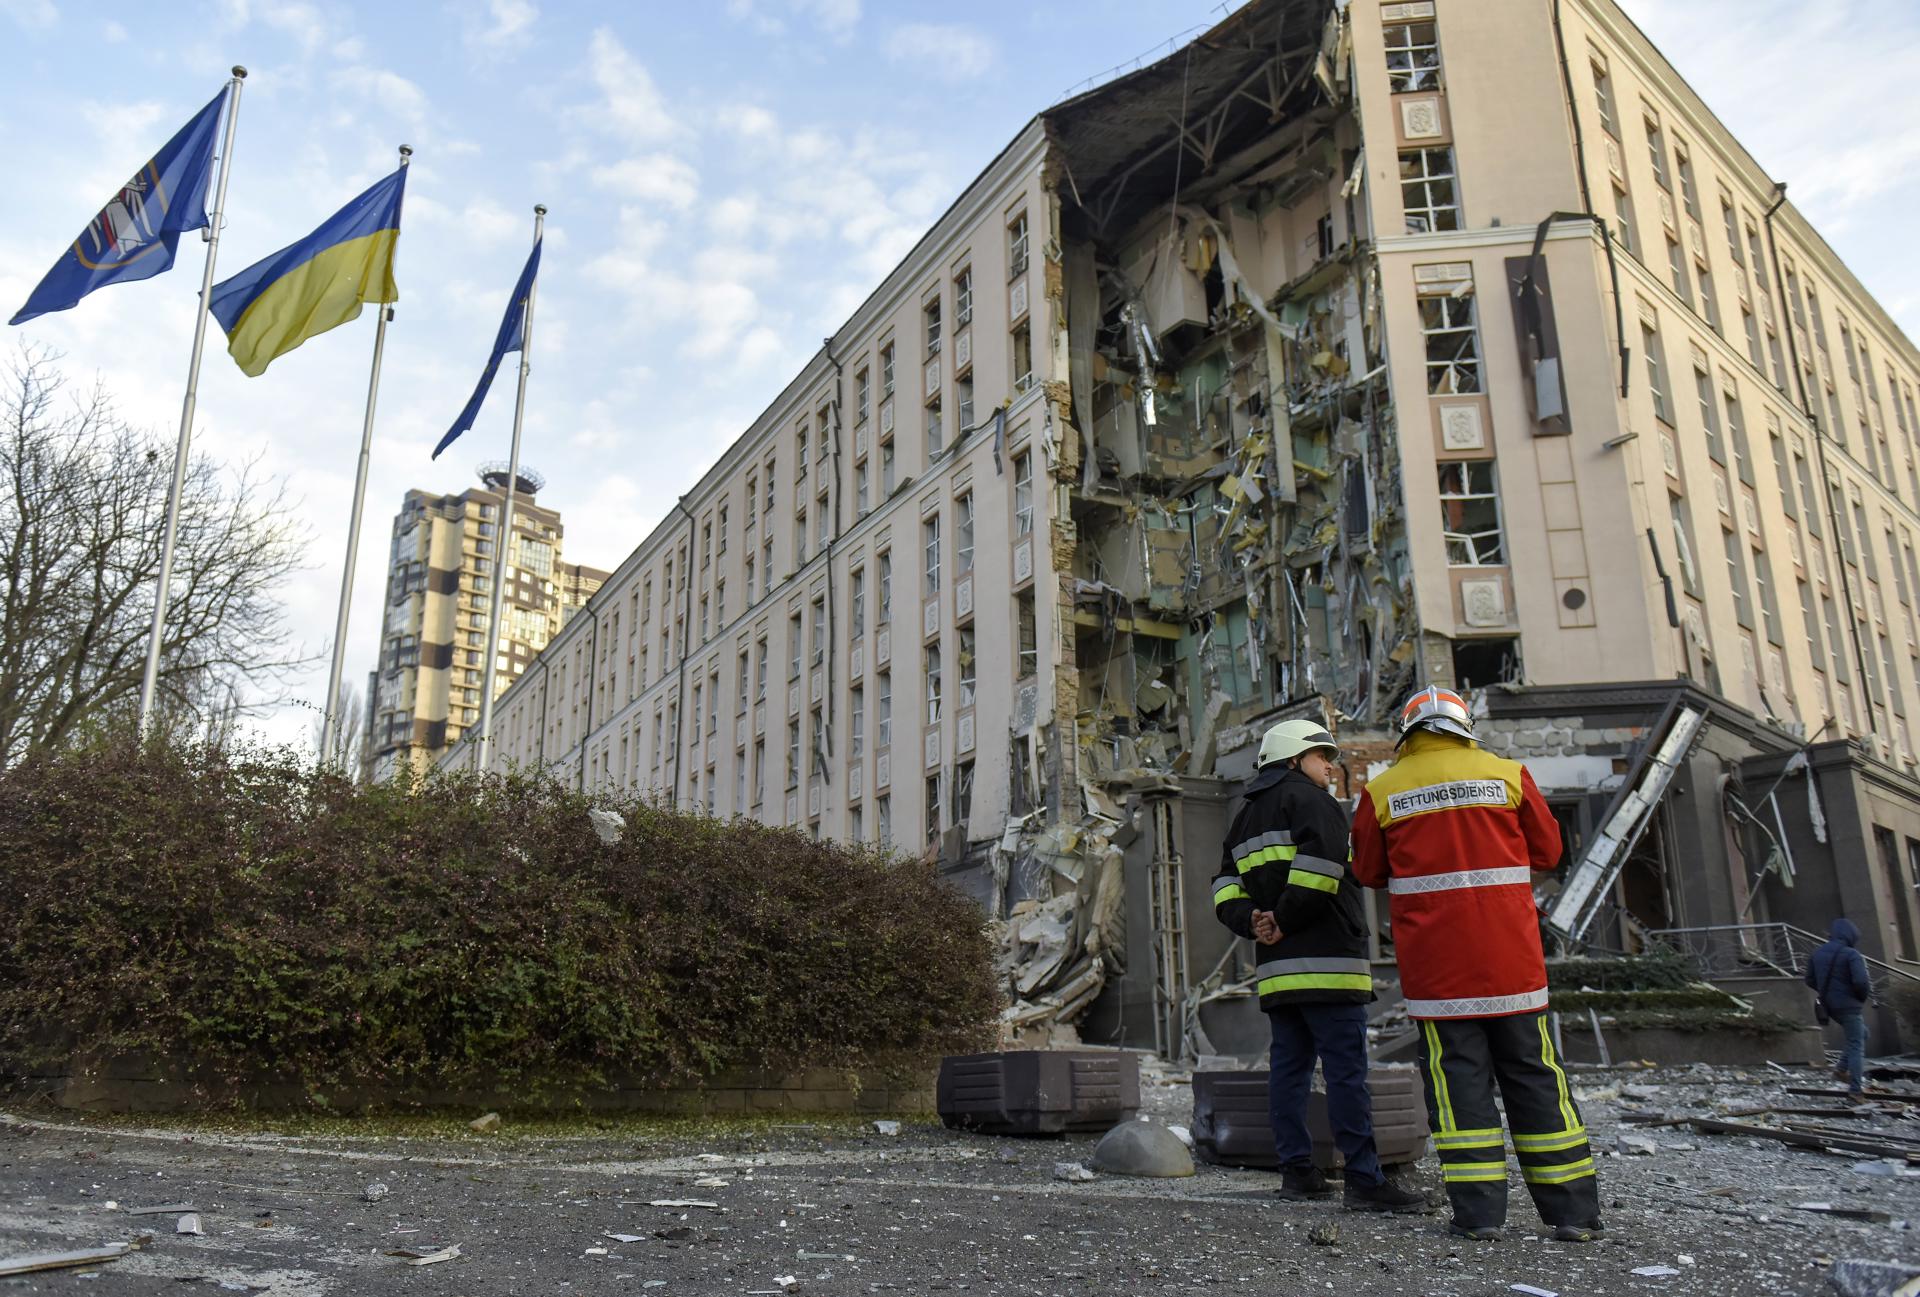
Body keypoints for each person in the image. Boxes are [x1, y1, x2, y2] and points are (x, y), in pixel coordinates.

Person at [1350, 685, 1602, 1243]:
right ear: (1464, 726)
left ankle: (1480, 1216)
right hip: (1513, 964)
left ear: (1408, 732)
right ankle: (1574, 1215)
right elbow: (1549, 854)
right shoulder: (1509, 776)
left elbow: (1367, 870)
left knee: (1457, 1087)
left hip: (1439, 975)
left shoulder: (1384, 790)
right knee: (1537, 1078)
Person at [1212, 718, 1427, 1213]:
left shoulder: (1243, 817)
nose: (1330, 765)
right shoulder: (1313, 802)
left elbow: (1223, 885)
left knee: (1288, 1072)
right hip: (1330, 965)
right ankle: (1364, 1179)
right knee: (1346, 1073)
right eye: (1320, 756)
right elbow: (1323, 869)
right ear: (1293, 760)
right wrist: (1283, 919)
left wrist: (1254, 922)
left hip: (1278, 972)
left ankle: (1297, 1173)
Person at [1806, 917, 1873, 1098]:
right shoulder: (1851, 954)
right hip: (1849, 1006)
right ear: (1850, 936)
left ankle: (1841, 1070)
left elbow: (1809, 979)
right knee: (1856, 1043)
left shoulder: (1817, 953)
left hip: (1829, 1006)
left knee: (1861, 1034)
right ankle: (1856, 1090)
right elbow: (1861, 982)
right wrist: (1859, 998)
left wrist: (1827, 993)